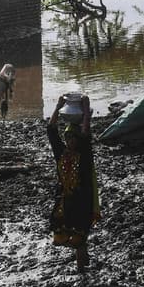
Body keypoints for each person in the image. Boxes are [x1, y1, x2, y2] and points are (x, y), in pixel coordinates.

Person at [47, 94, 101, 271]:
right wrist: (58, 105)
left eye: (74, 139)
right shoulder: (61, 153)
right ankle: (83, 259)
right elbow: (51, 129)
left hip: (82, 200)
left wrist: (86, 109)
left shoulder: (84, 155)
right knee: (63, 234)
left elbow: (86, 133)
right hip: (64, 199)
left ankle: (81, 267)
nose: (71, 142)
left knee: (80, 235)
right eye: (68, 138)